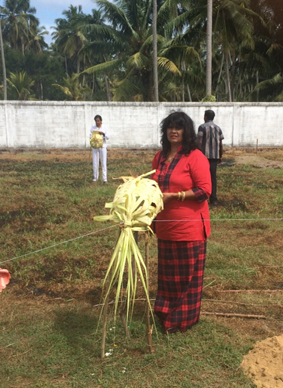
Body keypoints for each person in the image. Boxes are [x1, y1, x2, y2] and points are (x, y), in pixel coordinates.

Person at [151, 111, 211, 334]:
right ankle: (166, 313)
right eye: (169, 127)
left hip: (189, 228)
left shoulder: (195, 157)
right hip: (166, 226)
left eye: (178, 127)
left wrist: (175, 196)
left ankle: (182, 320)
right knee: (168, 277)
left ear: (186, 132)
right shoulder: (159, 157)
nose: (173, 131)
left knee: (186, 279)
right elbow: (152, 188)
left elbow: (205, 190)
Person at [197, 110, 224, 205]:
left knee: (201, 177)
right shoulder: (218, 128)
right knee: (213, 177)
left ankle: (202, 197)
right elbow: (220, 144)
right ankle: (214, 199)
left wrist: (198, 155)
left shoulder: (202, 127)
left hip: (204, 156)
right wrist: (220, 156)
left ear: (205, 117)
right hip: (215, 157)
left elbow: (199, 142)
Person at [90, 115, 109, 184]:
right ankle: (95, 178)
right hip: (95, 147)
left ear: (101, 121)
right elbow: (90, 136)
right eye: (96, 121)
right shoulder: (93, 128)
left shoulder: (105, 127)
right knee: (95, 162)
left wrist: (103, 134)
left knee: (103, 162)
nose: (97, 122)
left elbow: (108, 137)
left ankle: (105, 179)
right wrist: (94, 137)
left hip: (102, 146)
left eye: (98, 121)